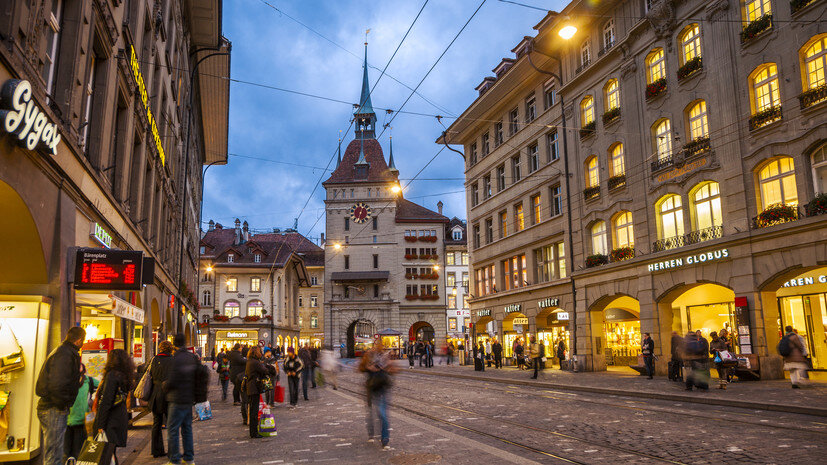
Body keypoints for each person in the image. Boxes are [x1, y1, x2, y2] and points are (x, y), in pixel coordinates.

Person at [36, 326, 85, 465]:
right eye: (83, 340)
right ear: (79, 340)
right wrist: (62, 404)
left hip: (52, 407)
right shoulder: (65, 354)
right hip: (53, 408)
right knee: (54, 453)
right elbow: (58, 384)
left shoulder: (63, 351)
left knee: (54, 450)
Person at [93, 349, 134, 464]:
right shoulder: (125, 376)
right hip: (120, 416)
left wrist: (100, 424)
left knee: (107, 454)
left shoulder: (112, 375)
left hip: (110, 419)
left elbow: (106, 401)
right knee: (111, 453)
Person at [164, 334, 199, 465]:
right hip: (189, 398)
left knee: (172, 430)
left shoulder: (176, 358)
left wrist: (165, 386)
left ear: (174, 343)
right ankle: (189, 458)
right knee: (187, 429)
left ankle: (174, 459)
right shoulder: (191, 357)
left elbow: (173, 379)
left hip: (177, 398)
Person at [359, 339, 396, 450]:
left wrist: (389, 367)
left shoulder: (385, 357)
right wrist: (369, 367)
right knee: (370, 413)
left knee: (382, 413)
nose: (379, 347)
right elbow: (360, 368)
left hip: (383, 386)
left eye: (381, 345)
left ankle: (385, 439)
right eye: (378, 344)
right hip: (371, 387)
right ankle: (371, 433)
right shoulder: (368, 355)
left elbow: (394, 371)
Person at [64, 363, 98, 462]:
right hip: (66, 420)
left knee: (78, 451)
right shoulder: (66, 380)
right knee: (66, 452)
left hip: (82, 421)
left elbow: (101, 385)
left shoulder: (88, 380)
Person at [148, 340, 174, 457]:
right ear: (170, 349)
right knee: (171, 423)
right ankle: (172, 451)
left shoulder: (154, 359)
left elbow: (149, 374)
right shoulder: (173, 360)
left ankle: (156, 450)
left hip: (156, 394)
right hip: (169, 395)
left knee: (157, 423)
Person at [245, 346, 275, 438]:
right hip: (254, 388)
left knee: (253, 410)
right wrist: (269, 368)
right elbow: (264, 371)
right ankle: (254, 433)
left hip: (251, 387)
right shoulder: (255, 362)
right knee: (254, 411)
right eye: (259, 351)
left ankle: (253, 431)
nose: (260, 353)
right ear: (255, 353)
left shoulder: (250, 361)